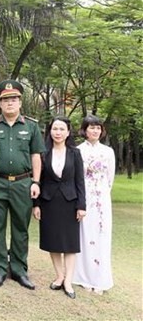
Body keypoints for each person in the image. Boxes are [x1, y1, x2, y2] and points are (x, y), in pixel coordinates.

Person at [0, 80, 44, 289]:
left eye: (14, 99)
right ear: (0, 104)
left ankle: (19, 270)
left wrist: (36, 181)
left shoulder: (31, 126)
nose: (10, 103)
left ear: (20, 102)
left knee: (21, 228)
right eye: (5, 100)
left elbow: (36, 155)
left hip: (22, 183)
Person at [32, 117, 86, 299]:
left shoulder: (75, 153)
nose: (58, 132)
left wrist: (81, 205)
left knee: (70, 244)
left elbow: (80, 181)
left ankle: (68, 281)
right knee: (53, 242)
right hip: (48, 202)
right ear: (50, 131)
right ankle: (59, 276)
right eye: (55, 128)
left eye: (62, 129)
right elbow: (38, 180)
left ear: (68, 132)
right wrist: (36, 204)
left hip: (70, 202)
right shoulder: (43, 153)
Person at [73, 115, 115, 294]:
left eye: (98, 128)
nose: (95, 131)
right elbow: (76, 177)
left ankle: (100, 277)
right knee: (85, 234)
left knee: (102, 235)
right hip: (84, 197)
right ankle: (83, 276)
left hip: (102, 198)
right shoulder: (78, 150)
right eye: (91, 127)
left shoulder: (108, 151)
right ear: (85, 130)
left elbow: (110, 177)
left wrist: (102, 193)